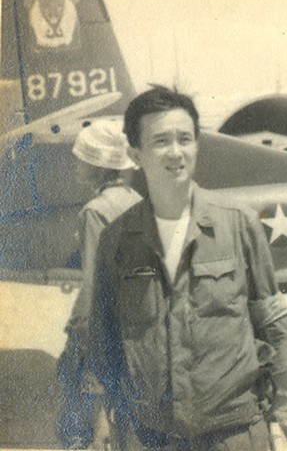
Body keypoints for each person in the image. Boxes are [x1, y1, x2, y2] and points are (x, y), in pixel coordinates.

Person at [87, 86, 287, 450]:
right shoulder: (117, 239)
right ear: (136, 154)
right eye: (160, 141)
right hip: (149, 434)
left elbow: (273, 320)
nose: (176, 152)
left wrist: (282, 410)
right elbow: (102, 336)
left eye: (184, 139)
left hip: (234, 431)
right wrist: (101, 418)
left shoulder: (238, 225)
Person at [57, 118, 142, 449]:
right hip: (135, 324)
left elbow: (94, 284)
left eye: (82, 159)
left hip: (100, 325)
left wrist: (81, 336)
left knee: (77, 420)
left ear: (98, 165)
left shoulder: (95, 211)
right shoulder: (137, 200)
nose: (76, 166)